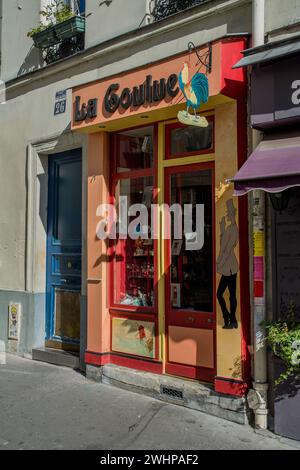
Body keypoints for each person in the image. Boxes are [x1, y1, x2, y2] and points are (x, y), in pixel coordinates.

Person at [216, 199, 239, 329]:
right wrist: (221, 228)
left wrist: (219, 263)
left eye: (230, 213)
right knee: (227, 294)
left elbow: (227, 249)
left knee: (225, 294)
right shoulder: (229, 228)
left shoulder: (234, 229)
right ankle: (231, 318)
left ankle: (231, 318)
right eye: (228, 212)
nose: (229, 215)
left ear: (233, 213)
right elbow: (222, 244)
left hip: (230, 266)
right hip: (227, 266)